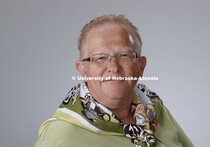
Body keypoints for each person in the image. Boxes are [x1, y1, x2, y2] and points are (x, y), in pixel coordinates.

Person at [35, 14, 193, 147]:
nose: (113, 67)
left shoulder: (155, 108)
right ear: (83, 70)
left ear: (141, 65)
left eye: (124, 55)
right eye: (100, 58)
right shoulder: (60, 136)